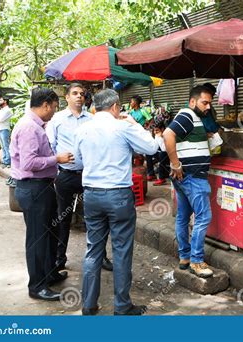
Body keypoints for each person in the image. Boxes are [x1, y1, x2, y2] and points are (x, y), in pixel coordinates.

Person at [74, 89, 158, 315]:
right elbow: (151, 147)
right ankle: (122, 306)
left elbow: (78, 160)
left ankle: (89, 305)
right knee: (121, 251)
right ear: (114, 107)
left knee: (93, 250)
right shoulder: (123, 127)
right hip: (118, 196)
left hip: (91, 195)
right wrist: (135, 124)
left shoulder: (83, 129)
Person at [10, 87, 74, 301]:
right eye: (54, 107)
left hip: (42, 187)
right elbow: (29, 163)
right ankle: (37, 286)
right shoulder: (29, 127)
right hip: (33, 187)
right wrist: (57, 159)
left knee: (49, 233)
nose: (54, 112)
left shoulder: (36, 125)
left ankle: (49, 274)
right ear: (45, 105)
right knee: (38, 238)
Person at [46, 83, 113, 272]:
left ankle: (100, 257)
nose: (78, 97)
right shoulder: (57, 119)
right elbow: (50, 145)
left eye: (82, 94)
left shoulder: (92, 119)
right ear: (66, 97)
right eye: (74, 93)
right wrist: (54, 171)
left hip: (89, 175)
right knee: (62, 218)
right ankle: (59, 259)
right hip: (65, 175)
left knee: (96, 218)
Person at [163, 85, 214, 278]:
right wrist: (175, 164)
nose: (208, 106)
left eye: (210, 102)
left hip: (187, 177)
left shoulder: (195, 118)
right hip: (192, 177)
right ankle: (197, 261)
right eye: (204, 102)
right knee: (203, 217)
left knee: (183, 216)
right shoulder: (187, 114)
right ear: (192, 102)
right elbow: (168, 134)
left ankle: (185, 256)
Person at [0, 97, 13, 167]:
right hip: (0, 129)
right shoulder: (1, 110)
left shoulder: (8, 110)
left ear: (5, 101)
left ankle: (8, 161)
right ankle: (5, 160)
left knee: (6, 145)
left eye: (1, 100)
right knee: (3, 146)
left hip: (4, 129)